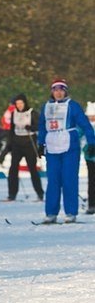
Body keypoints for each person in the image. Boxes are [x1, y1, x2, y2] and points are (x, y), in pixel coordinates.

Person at [37, 79, 95, 224]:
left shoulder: (73, 106)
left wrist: (92, 142)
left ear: (65, 91)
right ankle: (51, 212)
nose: (58, 92)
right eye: (56, 90)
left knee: (69, 179)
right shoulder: (46, 106)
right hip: (52, 146)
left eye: (61, 89)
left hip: (70, 145)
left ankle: (70, 212)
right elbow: (42, 126)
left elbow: (85, 124)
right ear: (52, 92)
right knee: (53, 181)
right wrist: (40, 143)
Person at [2, 93, 43, 202]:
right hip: (17, 144)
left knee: (32, 169)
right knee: (13, 169)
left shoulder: (32, 113)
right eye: (17, 103)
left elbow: (40, 126)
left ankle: (40, 193)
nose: (19, 105)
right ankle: (12, 194)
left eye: (21, 103)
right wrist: (9, 144)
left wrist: (31, 127)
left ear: (25, 103)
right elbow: (11, 129)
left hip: (29, 143)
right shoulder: (13, 113)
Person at [85, 102, 95, 214]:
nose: (92, 118)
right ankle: (92, 204)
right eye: (90, 117)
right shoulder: (85, 125)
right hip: (90, 157)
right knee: (91, 181)